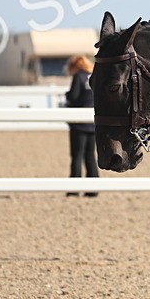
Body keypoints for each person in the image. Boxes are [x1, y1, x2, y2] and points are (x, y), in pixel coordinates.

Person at [64, 55, 98, 197]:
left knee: (76, 156)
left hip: (78, 124)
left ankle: (74, 188)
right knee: (91, 156)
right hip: (92, 122)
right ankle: (93, 188)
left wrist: (67, 96)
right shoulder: (93, 76)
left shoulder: (78, 77)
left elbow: (73, 96)